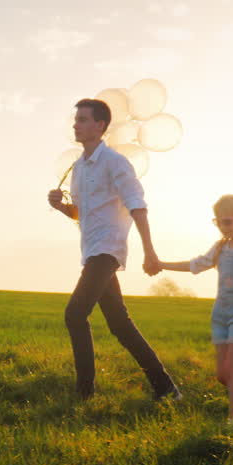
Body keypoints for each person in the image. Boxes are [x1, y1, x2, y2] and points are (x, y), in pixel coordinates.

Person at [47, 98, 181, 401]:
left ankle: (84, 394)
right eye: (76, 119)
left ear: (100, 125)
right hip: (92, 250)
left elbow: (137, 205)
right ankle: (167, 389)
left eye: (82, 119)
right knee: (120, 325)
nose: (76, 124)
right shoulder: (79, 168)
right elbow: (82, 214)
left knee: (75, 314)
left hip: (108, 250)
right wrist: (61, 207)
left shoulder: (116, 163)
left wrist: (149, 251)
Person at [155, 195, 233, 429]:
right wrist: (162, 264)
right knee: (222, 375)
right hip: (221, 313)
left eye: (227, 221)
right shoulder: (221, 246)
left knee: (232, 373)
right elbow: (197, 264)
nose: (222, 228)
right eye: (218, 222)